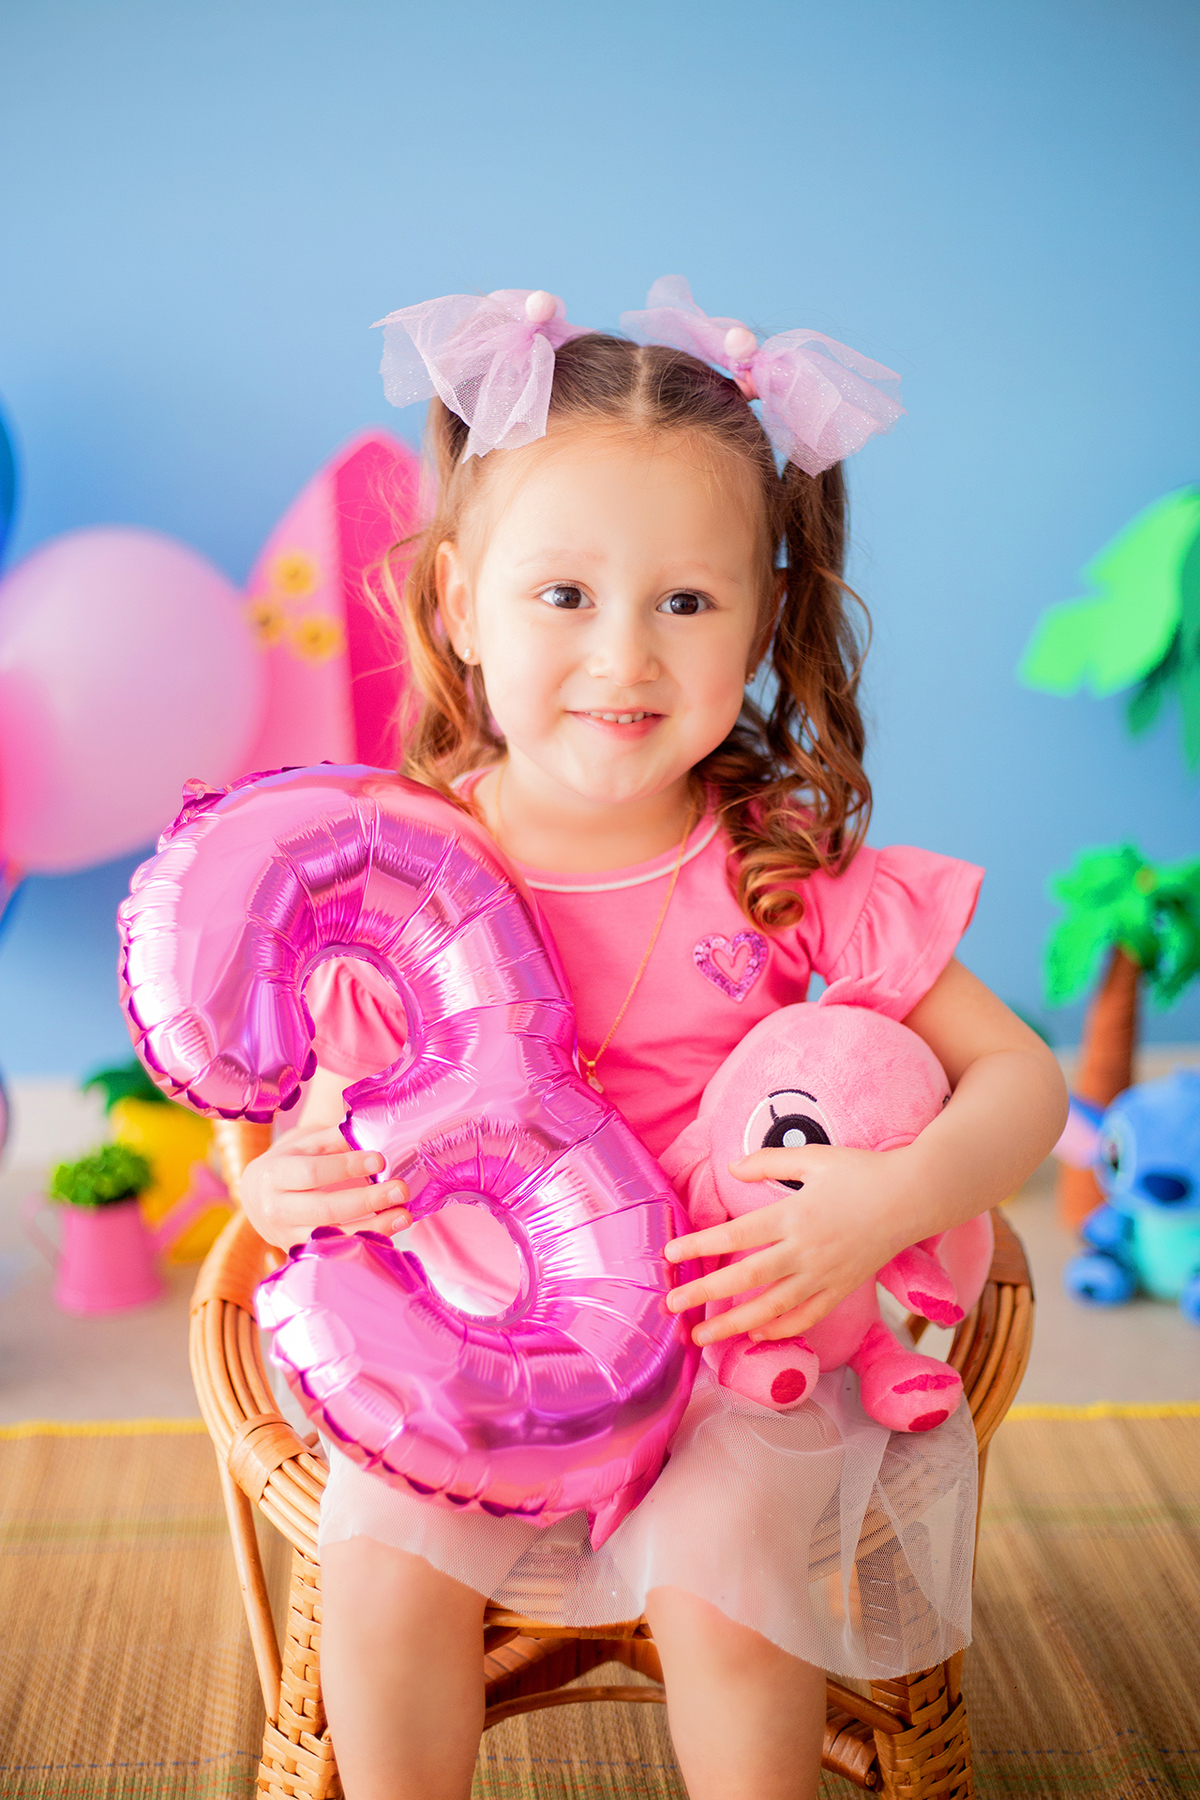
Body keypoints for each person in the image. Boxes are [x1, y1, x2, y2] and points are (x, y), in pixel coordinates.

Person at [238, 280, 1067, 1800]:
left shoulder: (783, 869)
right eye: (564, 596)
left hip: (737, 1341)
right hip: (487, 1332)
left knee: (719, 1568)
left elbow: (1024, 1079)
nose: (624, 658)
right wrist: (269, 1184)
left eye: (686, 602)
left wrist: (887, 1203)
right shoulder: (402, 869)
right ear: (457, 605)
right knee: (381, 1559)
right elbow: (291, 1097)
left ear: (765, 619)